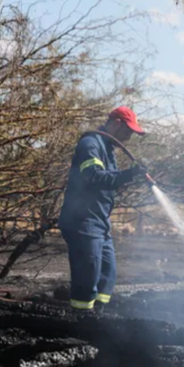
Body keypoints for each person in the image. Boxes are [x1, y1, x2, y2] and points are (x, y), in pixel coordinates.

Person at [58, 106, 148, 310]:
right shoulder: (90, 144)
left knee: (107, 275)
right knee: (87, 277)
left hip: (99, 222)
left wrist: (132, 175)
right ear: (116, 123)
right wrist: (130, 174)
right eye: (128, 131)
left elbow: (110, 181)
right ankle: (81, 321)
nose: (129, 137)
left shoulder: (107, 148)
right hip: (82, 222)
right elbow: (93, 177)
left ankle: (98, 317)